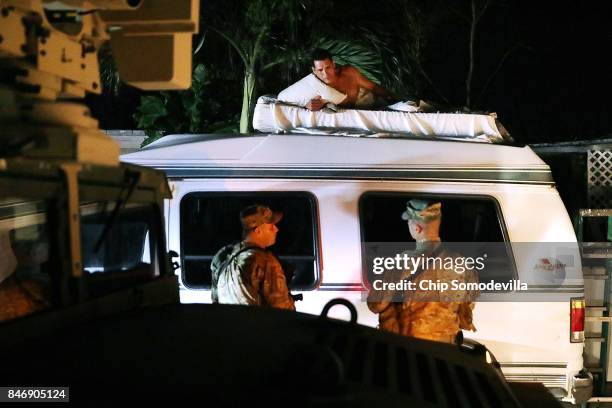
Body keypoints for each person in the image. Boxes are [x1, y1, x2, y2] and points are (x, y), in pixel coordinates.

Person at [367, 199, 478, 344]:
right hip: (445, 352)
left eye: (409, 222)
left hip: (410, 350)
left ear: (417, 228)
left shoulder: (402, 263)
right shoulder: (461, 264)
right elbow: (466, 313)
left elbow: (376, 304)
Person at [210, 204, 295, 310]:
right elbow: (281, 309)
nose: (276, 229)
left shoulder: (222, 257)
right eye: (271, 226)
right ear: (258, 230)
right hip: (256, 325)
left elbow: (215, 302)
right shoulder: (264, 261)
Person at [277, 48, 394, 111]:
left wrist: (392, 97)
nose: (325, 74)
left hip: (363, 103)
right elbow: (291, 103)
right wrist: (306, 107)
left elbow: (373, 87)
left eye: (328, 67)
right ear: (314, 70)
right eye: (320, 70)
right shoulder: (313, 86)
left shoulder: (349, 73)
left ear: (333, 64)